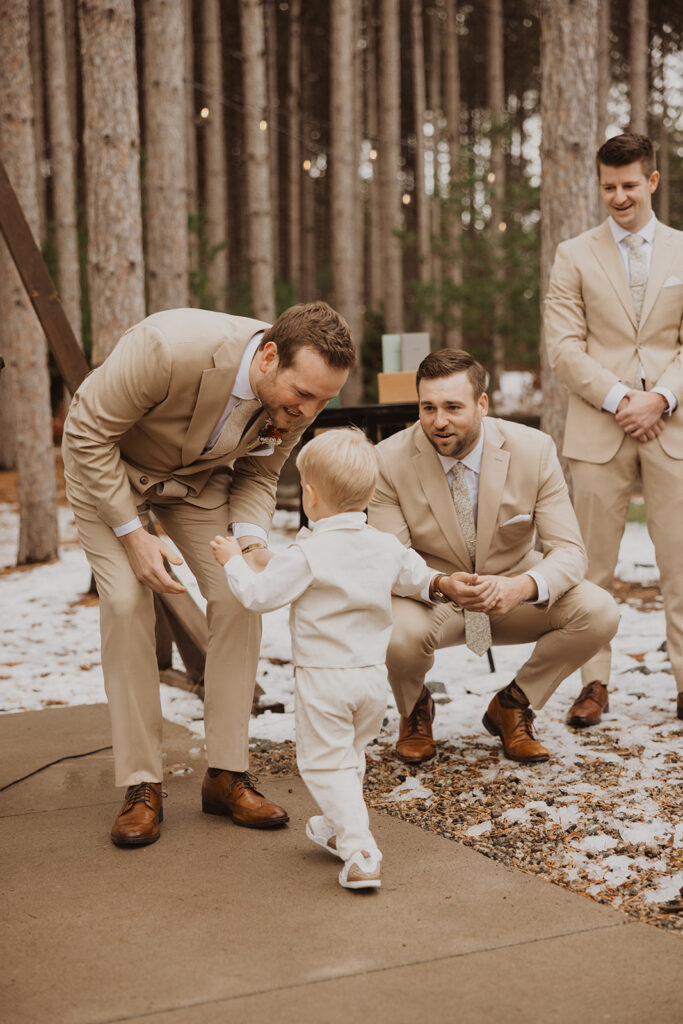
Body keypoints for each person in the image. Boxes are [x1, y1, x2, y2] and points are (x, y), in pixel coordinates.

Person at [62, 302, 355, 846]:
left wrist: (251, 546)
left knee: (241, 594)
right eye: (304, 395)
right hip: (107, 471)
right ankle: (141, 784)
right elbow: (87, 432)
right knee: (127, 602)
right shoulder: (166, 347)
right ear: (269, 357)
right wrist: (133, 534)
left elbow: (260, 473)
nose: (309, 410)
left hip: (196, 482)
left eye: (323, 400)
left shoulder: (297, 402)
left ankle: (225, 773)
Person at [211, 428, 444, 890]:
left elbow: (259, 596)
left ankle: (360, 849)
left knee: (322, 763)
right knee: (349, 756)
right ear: (372, 494)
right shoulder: (385, 545)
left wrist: (232, 561)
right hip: (371, 680)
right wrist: (447, 583)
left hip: (324, 680)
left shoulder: (308, 552)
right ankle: (337, 828)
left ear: (310, 496)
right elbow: (419, 579)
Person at [367, 348, 620, 765]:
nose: (438, 421)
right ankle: (414, 708)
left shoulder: (534, 449)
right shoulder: (387, 460)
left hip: (513, 591)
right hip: (433, 594)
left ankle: (514, 705)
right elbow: (388, 559)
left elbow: (570, 552)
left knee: (601, 612)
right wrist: (440, 583)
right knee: (396, 634)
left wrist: (522, 586)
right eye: (427, 408)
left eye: (452, 407)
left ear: (482, 404)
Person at [545, 132, 683, 726]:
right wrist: (625, 397)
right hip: (600, 428)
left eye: (629, 185)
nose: (619, 197)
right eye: (608, 187)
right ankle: (593, 684)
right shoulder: (573, 254)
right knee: (592, 569)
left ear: (652, 181)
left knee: (679, 564)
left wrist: (662, 399)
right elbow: (562, 348)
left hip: (673, 427)